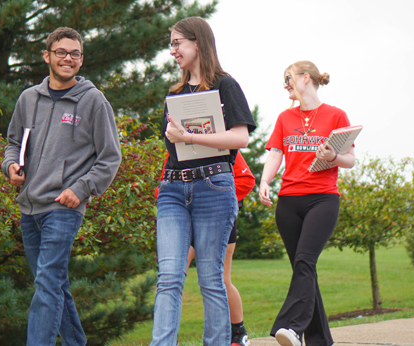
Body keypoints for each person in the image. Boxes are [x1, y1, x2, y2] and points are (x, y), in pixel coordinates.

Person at [1, 27, 122, 346]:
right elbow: (13, 142)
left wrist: (81, 189)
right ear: (47, 56)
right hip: (30, 208)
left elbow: (110, 156)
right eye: (61, 52)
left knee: (47, 284)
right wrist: (10, 166)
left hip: (64, 208)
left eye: (75, 53)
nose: (68, 58)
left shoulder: (93, 101)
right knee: (53, 285)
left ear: (81, 60)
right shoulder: (29, 98)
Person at [151, 17, 256, 346]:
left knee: (211, 278)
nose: (173, 51)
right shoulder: (174, 93)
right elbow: (174, 148)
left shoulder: (226, 85)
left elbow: (240, 138)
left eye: (177, 43)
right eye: (172, 44)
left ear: (198, 43)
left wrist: (193, 135)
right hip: (172, 188)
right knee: (169, 276)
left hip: (214, 186)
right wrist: (173, 136)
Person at [259, 61, 355, 346]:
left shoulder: (336, 115)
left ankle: (290, 327)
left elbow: (350, 159)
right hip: (288, 203)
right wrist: (265, 181)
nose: (285, 84)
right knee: (304, 270)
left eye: (288, 78)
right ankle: (320, 341)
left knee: (304, 262)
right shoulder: (284, 118)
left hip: (322, 199)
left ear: (305, 78)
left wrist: (332, 157)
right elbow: (276, 154)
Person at [157, 152, 255, 346]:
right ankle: (169, 338)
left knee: (220, 278)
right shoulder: (176, 146)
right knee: (171, 277)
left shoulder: (220, 144)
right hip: (183, 218)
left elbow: (246, 179)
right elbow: (164, 183)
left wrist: (220, 199)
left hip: (215, 215)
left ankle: (238, 332)